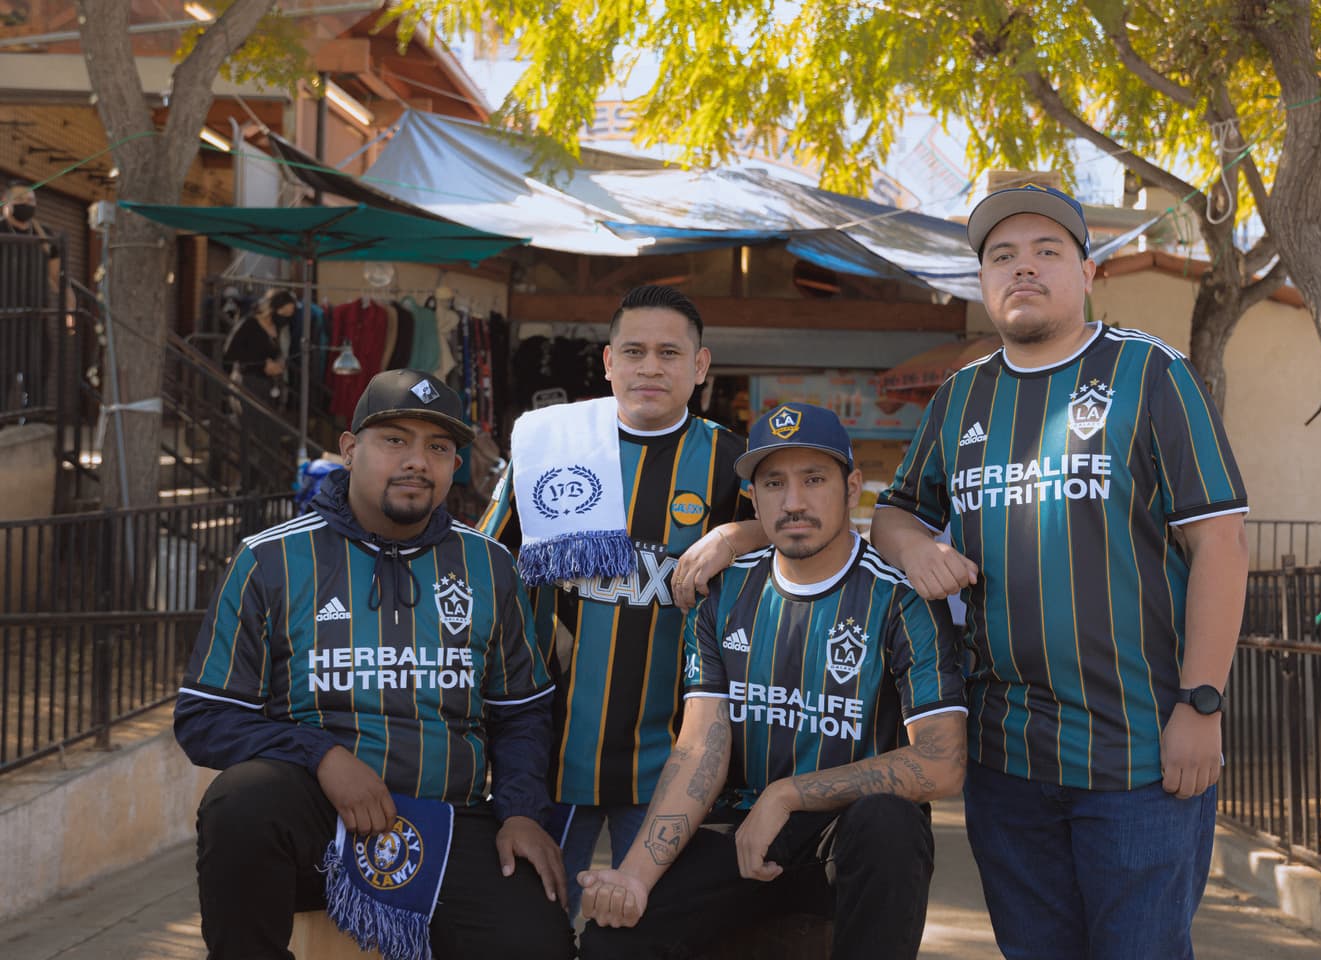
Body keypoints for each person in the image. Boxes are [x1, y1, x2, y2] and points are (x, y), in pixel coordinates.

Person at [870, 184, 1250, 960]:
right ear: (983, 282)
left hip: (1138, 756)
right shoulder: (960, 398)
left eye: (1048, 251)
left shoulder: (1152, 375)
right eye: (1003, 256)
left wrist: (1202, 707)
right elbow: (896, 512)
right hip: (1007, 760)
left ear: (1087, 272)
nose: (1025, 269)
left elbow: (1220, 545)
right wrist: (916, 551)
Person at [174, 369, 575, 960]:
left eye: (438, 447)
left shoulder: (489, 565)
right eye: (395, 439)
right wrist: (322, 757)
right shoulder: (271, 559)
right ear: (348, 448)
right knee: (241, 802)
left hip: (447, 823)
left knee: (540, 945)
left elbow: (521, 715)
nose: (418, 460)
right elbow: (206, 717)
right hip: (316, 825)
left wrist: (519, 813)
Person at [578, 402, 967, 960]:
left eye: (814, 479)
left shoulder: (901, 599)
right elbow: (699, 751)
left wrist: (788, 795)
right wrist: (635, 877)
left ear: (852, 486)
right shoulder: (724, 595)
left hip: (844, 846)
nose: (794, 502)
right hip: (738, 837)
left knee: (892, 824)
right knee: (610, 942)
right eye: (774, 483)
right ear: (754, 499)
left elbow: (941, 761)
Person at [480, 284, 764, 917]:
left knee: (649, 932)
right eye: (634, 351)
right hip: (547, 751)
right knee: (532, 931)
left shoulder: (734, 460)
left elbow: (807, 532)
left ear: (700, 366)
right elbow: (483, 561)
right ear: (608, 362)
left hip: (670, 762)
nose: (650, 367)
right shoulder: (549, 443)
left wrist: (741, 532)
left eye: (669, 352)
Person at [221, 288, 295, 489]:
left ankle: (264, 488)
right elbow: (230, 353)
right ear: (273, 309)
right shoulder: (250, 324)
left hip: (268, 385)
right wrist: (262, 365)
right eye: (284, 313)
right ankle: (247, 488)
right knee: (254, 437)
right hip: (248, 382)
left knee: (269, 438)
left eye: (290, 315)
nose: (286, 318)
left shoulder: (277, 328)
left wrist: (277, 366)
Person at [1, 181, 63, 411]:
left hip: (36, 319)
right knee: (3, 379)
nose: (27, 204)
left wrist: (69, 302)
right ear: (6, 204)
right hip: (4, 320)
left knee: (37, 376)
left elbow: (57, 276)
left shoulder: (44, 234)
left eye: (31, 200)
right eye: (20, 200)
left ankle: (32, 423)